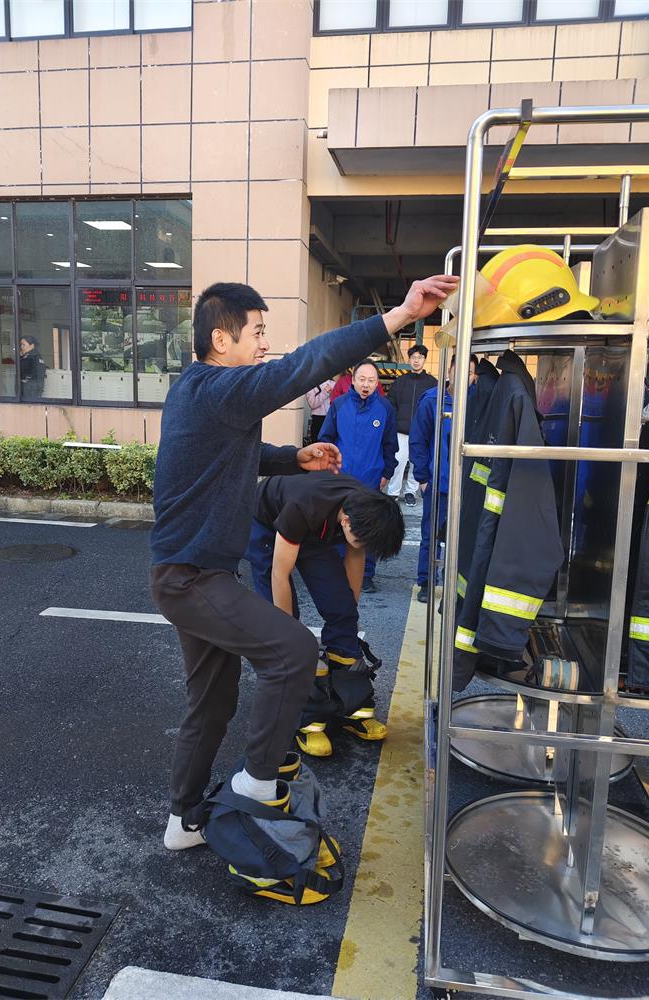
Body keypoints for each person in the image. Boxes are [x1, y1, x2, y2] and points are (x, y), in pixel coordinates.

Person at [149, 275, 458, 856]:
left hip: (192, 572)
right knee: (293, 651)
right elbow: (305, 365)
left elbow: (230, 452)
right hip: (191, 577)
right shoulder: (221, 388)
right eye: (257, 332)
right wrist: (396, 316)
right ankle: (257, 782)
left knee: (213, 704)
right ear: (221, 339)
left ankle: (182, 819)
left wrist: (293, 456)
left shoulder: (198, 391)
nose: (265, 343)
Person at [246, 472, 405, 756]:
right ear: (346, 522)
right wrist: (289, 636)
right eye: (361, 541)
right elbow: (279, 574)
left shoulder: (363, 511)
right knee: (284, 625)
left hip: (315, 531)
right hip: (267, 524)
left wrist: (347, 615)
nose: (363, 547)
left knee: (342, 611)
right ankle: (302, 715)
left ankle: (351, 704)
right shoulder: (303, 505)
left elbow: (355, 556)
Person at [319, 359, 398, 593]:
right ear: (352, 380)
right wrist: (329, 468)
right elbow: (325, 439)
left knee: (369, 527)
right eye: (362, 379)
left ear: (377, 383)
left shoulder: (385, 408)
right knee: (339, 526)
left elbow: (390, 445)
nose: (366, 385)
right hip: (341, 480)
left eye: (371, 380)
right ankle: (337, 571)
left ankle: (366, 575)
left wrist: (387, 472)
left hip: (370, 480)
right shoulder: (339, 404)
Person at [410, 353, 477, 603]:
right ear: (449, 371)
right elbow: (418, 440)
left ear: (474, 377)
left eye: (469, 372)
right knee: (431, 536)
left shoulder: (479, 401)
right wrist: (422, 477)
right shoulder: (432, 401)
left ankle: (457, 586)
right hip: (438, 483)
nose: (463, 376)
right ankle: (427, 582)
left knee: (463, 539)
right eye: (458, 369)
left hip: (468, 486)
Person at [385, 344, 437, 506]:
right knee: (398, 462)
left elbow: (435, 406)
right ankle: (393, 492)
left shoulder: (432, 383)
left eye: (420, 357)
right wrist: (394, 422)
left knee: (417, 463)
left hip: (422, 432)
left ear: (424, 360)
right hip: (401, 431)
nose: (416, 360)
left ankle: (410, 492)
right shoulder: (400, 381)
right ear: (409, 360)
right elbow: (391, 403)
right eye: (413, 357)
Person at [18, 336, 46, 400]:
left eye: (23, 345)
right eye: (21, 345)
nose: (21, 347)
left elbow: (20, 370)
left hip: (29, 391)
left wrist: (20, 357)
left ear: (32, 345)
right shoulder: (37, 356)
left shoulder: (30, 357)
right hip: (34, 390)